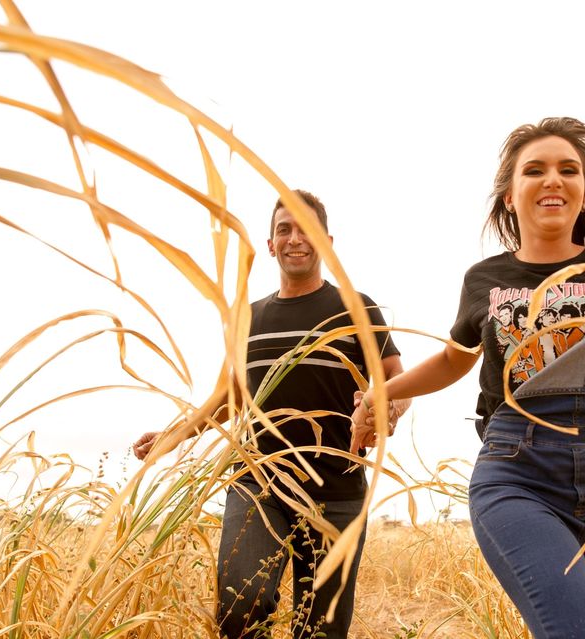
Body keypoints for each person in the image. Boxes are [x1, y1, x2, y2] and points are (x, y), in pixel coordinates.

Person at [349, 117, 585, 638]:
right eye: (534, 170)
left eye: (568, 170)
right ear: (510, 197)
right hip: (516, 474)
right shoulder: (484, 279)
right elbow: (453, 360)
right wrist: (379, 395)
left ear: (584, 194)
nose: (552, 179)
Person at [134, 189, 408, 638]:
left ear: (327, 243)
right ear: (270, 244)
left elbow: (396, 378)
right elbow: (229, 397)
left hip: (337, 491)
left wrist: (387, 408)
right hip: (257, 485)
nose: (295, 239)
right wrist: (173, 435)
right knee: (239, 605)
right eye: (285, 229)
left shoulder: (355, 307)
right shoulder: (248, 317)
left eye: (306, 229)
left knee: (321, 630)